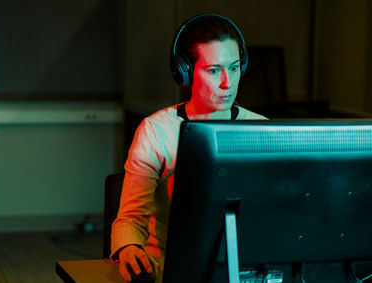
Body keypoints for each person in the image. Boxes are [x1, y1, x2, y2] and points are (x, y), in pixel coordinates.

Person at [110, 14, 267, 282]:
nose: (228, 83)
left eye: (234, 67)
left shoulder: (262, 129)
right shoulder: (157, 131)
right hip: (170, 267)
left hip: (243, 267)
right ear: (185, 72)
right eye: (214, 70)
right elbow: (131, 218)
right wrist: (129, 248)